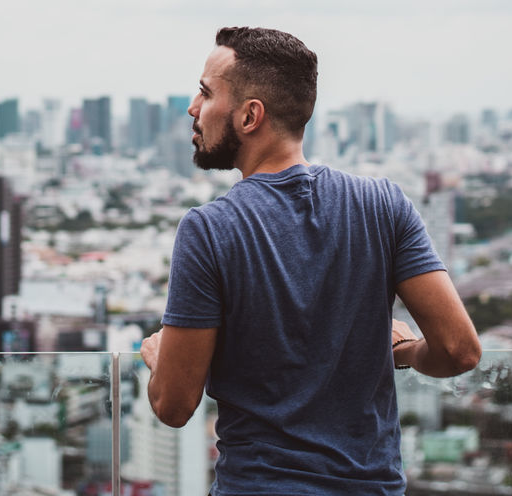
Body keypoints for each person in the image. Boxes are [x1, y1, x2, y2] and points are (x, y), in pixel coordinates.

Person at [141, 26, 481, 495]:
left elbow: (174, 407)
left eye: (205, 93)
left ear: (249, 115)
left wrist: (161, 360)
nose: (192, 107)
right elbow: (460, 351)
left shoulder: (210, 230)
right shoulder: (383, 204)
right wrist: (405, 351)